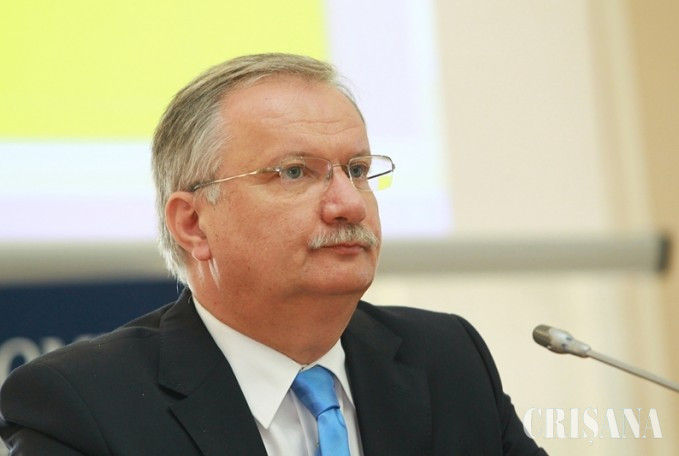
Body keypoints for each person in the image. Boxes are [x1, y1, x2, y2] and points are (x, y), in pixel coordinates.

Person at [0, 53, 547, 455]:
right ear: (193, 224)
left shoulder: (447, 358)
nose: (348, 204)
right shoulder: (82, 406)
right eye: (294, 172)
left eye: (357, 170)